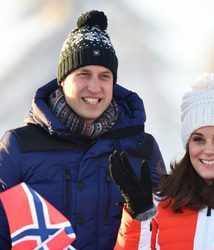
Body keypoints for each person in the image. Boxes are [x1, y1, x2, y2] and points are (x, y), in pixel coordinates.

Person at [0, 10, 165, 249]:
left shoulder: (142, 149)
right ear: (62, 80)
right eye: (83, 75)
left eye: (104, 76)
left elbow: (167, 234)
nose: (95, 87)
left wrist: (144, 212)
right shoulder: (19, 147)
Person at [109, 73, 214, 249]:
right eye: (198, 139)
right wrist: (139, 216)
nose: (208, 150)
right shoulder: (161, 203)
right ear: (188, 144)